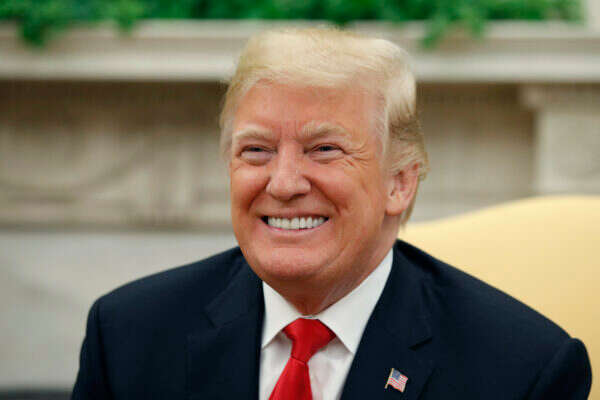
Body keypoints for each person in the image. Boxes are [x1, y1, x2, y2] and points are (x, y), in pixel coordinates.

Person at [72, 28, 591, 400]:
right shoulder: (128, 336)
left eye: (324, 150)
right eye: (256, 151)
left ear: (399, 183)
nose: (283, 183)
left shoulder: (524, 371)